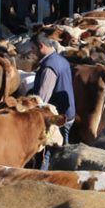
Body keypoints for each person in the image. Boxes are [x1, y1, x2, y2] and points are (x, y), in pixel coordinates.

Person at [29, 34, 75, 165]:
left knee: (47, 156)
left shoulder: (49, 67)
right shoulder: (61, 60)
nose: (31, 52)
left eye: (33, 49)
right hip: (68, 113)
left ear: (41, 47)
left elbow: (42, 99)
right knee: (62, 152)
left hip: (55, 118)